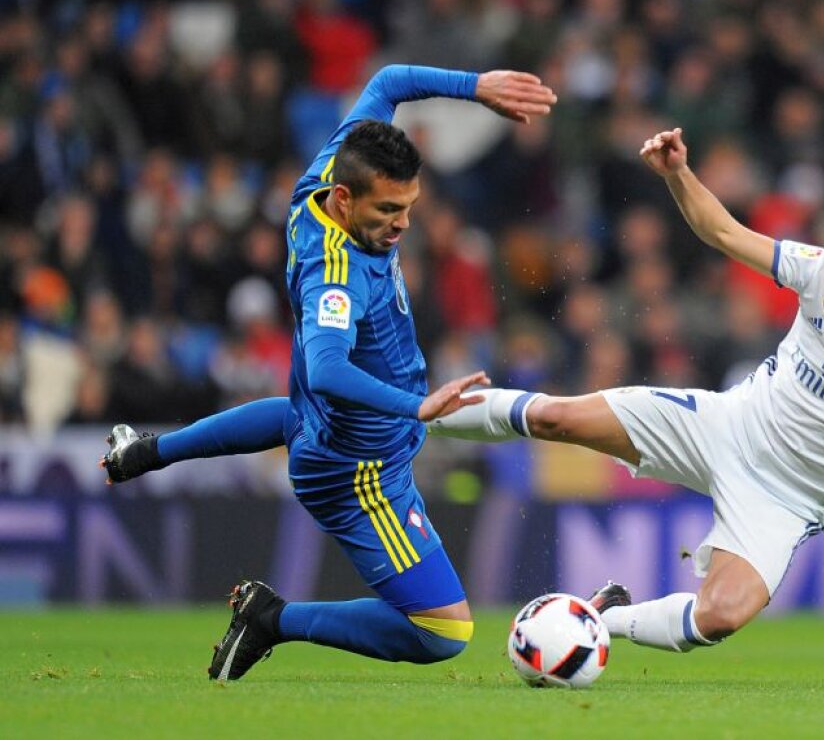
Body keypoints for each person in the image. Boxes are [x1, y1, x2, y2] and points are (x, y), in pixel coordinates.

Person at [427, 127, 824, 653]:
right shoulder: (823, 270)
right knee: (558, 417)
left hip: (789, 498)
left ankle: (594, 618)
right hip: (725, 425)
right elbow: (723, 231)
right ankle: (412, 414)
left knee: (718, 617)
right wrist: (678, 174)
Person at [101, 64, 556, 680]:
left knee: (296, 419)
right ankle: (272, 619)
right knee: (444, 630)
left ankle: (148, 452)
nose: (402, 224)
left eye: (411, 206)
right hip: (360, 471)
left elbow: (390, 81)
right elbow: (326, 369)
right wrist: (414, 407)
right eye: (389, 210)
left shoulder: (323, 177)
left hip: (333, 430)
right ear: (346, 200)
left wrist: (475, 89)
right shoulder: (334, 276)